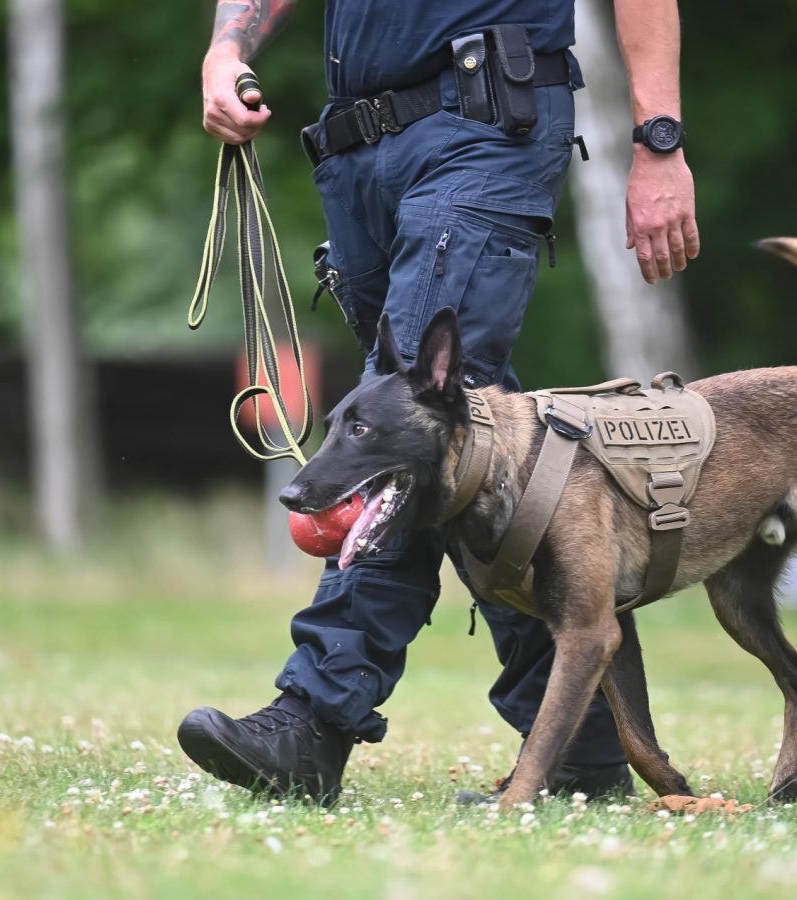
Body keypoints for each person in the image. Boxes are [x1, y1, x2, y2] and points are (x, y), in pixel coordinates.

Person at [179, 0, 700, 804]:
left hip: (484, 126)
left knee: (411, 434)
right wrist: (226, 48)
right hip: (357, 150)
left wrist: (658, 140)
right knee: (472, 441)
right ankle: (583, 748)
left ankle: (314, 720)